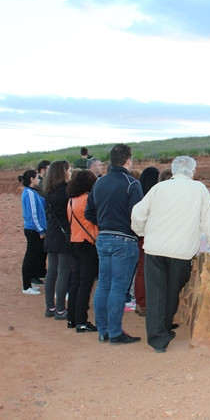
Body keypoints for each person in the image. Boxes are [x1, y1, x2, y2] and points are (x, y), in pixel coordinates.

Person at [132, 156, 210, 353]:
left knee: (156, 293)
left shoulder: (159, 188)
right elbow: (209, 220)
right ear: (192, 172)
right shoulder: (198, 189)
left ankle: (158, 338)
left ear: (174, 170)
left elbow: (137, 213)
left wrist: (142, 231)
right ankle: (164, 330)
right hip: (181, 251)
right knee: (171, 292)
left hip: (155, 248)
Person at [85, 144, 143, 344]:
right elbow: (137, 215)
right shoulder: (132, 183)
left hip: (103, 238)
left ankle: (104, 331)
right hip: (124, 239)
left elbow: (88, 212)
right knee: (118, 287)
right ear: (128, 160)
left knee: (103, 284)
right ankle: (116, 332)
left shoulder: (99, 183)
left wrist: (104, 223)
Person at [66, 170, 99, 332]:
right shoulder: (87, 200)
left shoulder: (72, 200)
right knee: (86, 283)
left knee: (76, 282)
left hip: (75, 241)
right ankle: (81, 321)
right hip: (87, 244)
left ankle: (71, 318)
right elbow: (95, 220)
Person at [42, 160, 73, 320]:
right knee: (63, 272)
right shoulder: (67, 192)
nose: (70, 172)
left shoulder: (49, 192)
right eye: (68, 169)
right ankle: (60, 309)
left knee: (52, 272)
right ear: (63, 172)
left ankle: (50, 307)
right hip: (63, 235)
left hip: (52, 233)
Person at [132, 166, 160, 317]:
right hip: (150, 236)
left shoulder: (139, 194)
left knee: (141, 269)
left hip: (141, 236)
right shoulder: (155, 196)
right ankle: (145, 303)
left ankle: (140, 302)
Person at [19, 170, 47, 294]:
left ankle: (29, 284)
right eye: (37, 178)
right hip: (33, 230)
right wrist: (40, 230)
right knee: (30, 257)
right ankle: (26, 286)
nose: (39, 180)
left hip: (33, 229)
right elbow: (33, 214)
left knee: (33, 256)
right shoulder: (30, 193)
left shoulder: (31, 192)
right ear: (31, 179)